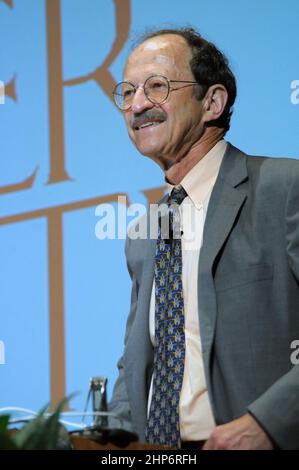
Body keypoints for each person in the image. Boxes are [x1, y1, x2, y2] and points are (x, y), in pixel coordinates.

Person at [108, 26, 299, 450]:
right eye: (127, 92)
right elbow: (139, 361)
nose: (138, 105)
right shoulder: (144, 231)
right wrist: (114, 439)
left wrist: (267, 424)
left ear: (212, 102)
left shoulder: (285, 189)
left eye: (156, 87)